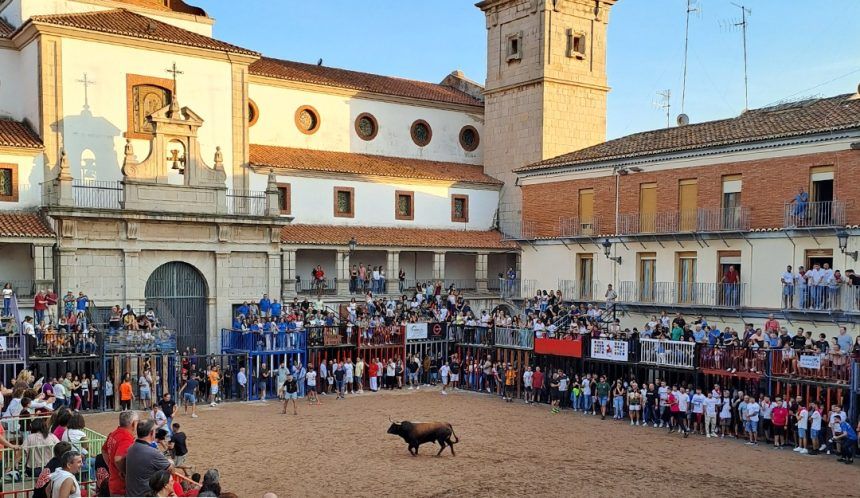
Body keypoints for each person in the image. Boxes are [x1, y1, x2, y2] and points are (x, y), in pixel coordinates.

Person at [125, 419, 172, 497]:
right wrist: (170, 461)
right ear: (151, 433)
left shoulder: (131, 448)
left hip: (131, 493)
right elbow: (171, 469)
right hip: (144, 494)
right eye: (155, 430)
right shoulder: (153, 453)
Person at [103, 410, 139, 496]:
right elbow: (118, 459)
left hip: (114, 483)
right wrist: (124, 472)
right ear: (133, 424)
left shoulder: (114, 434)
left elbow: (104, 450)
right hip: (122, 487)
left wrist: (111, 465)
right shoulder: (126, 438)